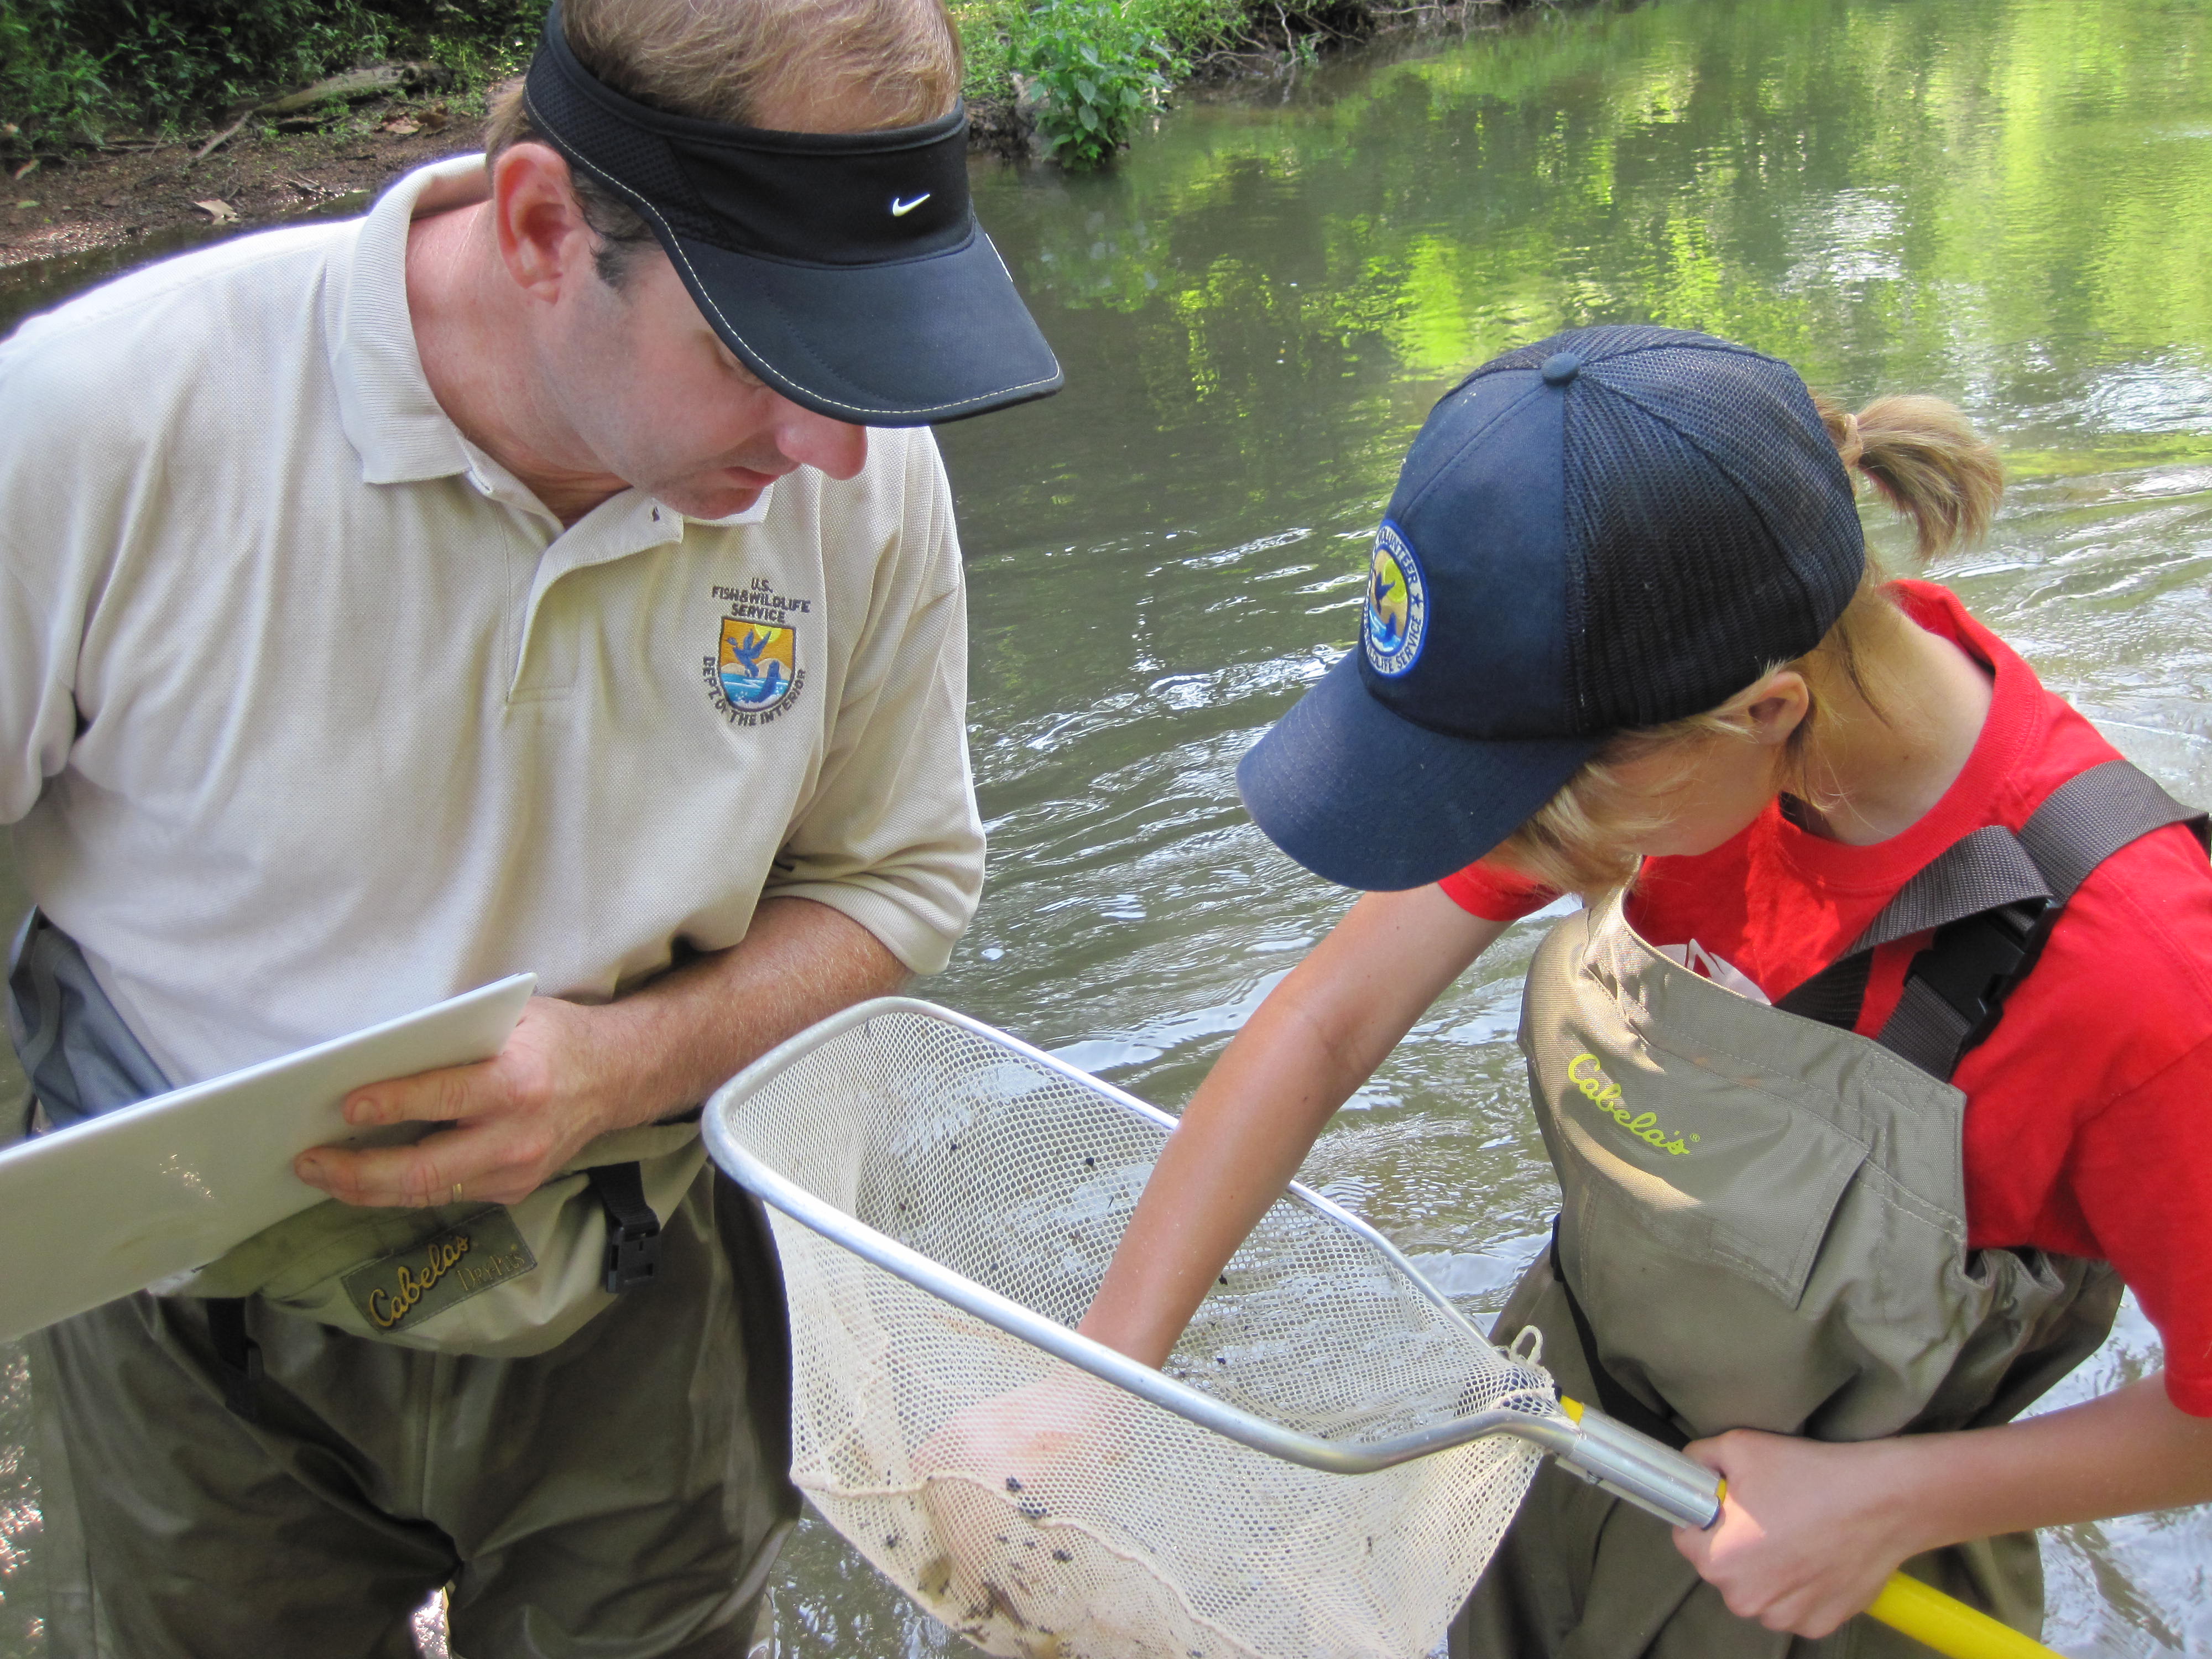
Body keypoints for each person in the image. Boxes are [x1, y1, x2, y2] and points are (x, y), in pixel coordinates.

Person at [0, 0, 1060, 1651]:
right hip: (190, 1314)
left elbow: (901, 881)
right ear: (545, 227)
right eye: (764, 347)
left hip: (643, 1270)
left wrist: (613, 1073)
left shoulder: (853, 468)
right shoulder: (98, 423)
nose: (839, 446)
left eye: (869, 356)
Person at [1067, 325, 2212, 1655]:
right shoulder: (1649, 665)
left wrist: (1888, 1503)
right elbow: (1327, 1023)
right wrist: (1102, 1382)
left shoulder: (2142, 979)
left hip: (1829, 1573)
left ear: (1767, 712)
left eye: (1526, 806)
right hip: (1551, 1440)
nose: (1494, 847)